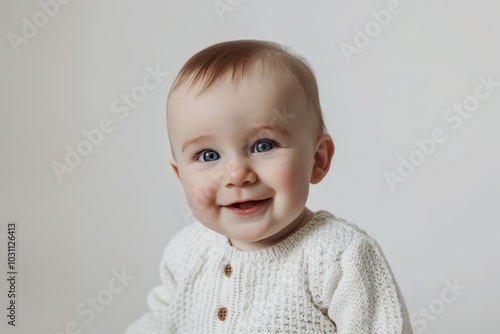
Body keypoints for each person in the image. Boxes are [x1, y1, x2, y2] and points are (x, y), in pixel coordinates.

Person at [125, 40, 412, 334]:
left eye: (263, 145)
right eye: (208, 155)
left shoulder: (338, 257)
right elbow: (159, 323)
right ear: (180, 174)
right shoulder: (186, 253)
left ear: (317, 160)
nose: (236, 175)